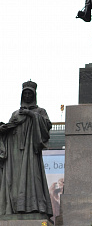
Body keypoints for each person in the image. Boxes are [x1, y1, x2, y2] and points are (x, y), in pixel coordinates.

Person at [0, 81, 53, 217]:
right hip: (15, 150)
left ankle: (33, 206)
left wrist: (31, 114)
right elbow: (10, 127)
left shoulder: (40, 111)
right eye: (25, 93)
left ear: (34, 95)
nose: (28, 96)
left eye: (30, 93)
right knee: (15, 179)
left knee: (33, 176)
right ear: (22, 95)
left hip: (31, 150)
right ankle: (15, 207)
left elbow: (47, 126)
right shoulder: (15, 113)